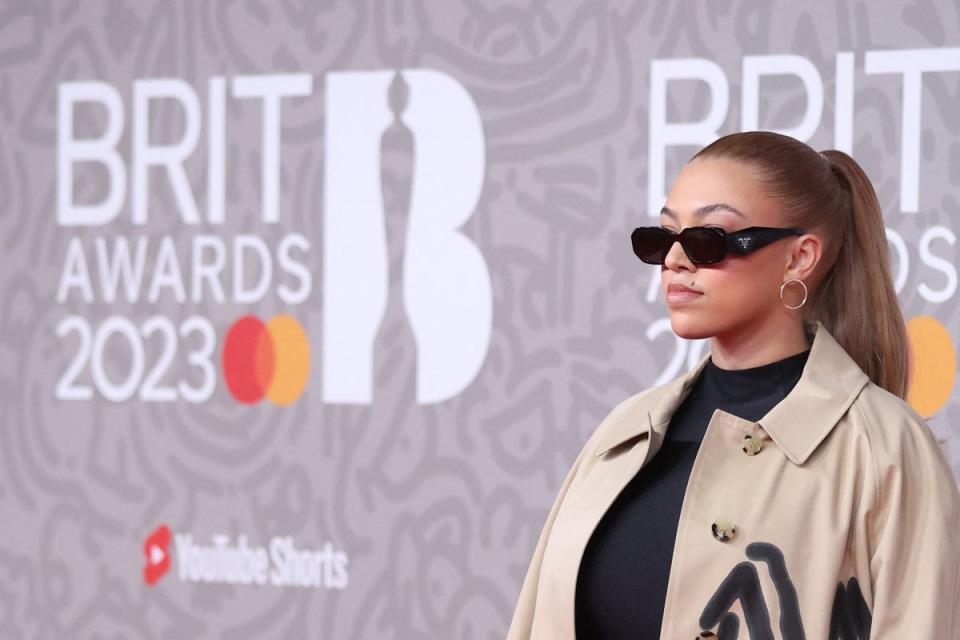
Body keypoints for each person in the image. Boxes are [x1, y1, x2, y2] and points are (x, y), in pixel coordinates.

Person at [506, 131, 960, 639]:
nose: (676, 261)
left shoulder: (883, 449)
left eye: (708, 240)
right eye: (662, 239)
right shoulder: (624, 433)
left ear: (798, 258)